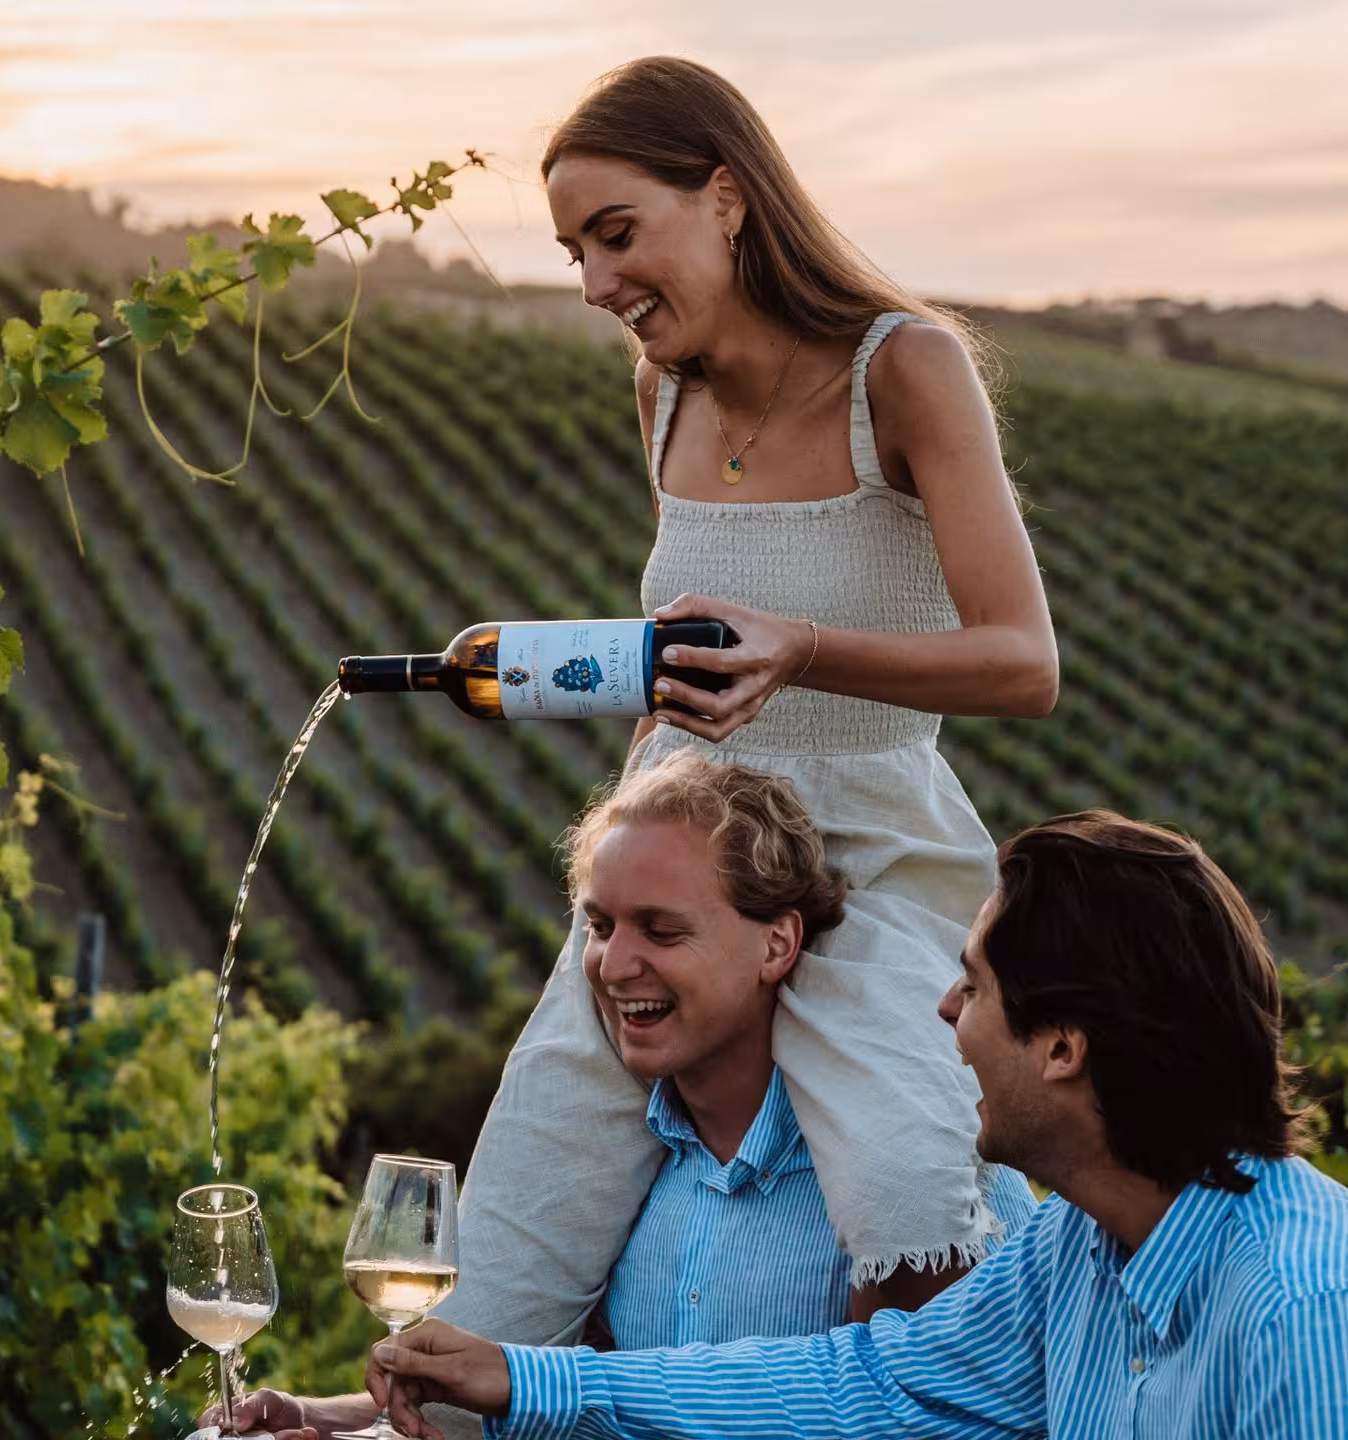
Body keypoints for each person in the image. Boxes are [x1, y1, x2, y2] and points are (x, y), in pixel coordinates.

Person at [442, 50, 1059, 1362]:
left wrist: (803, 651)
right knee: (516, 1208)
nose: (600, 283)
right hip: (683, 857)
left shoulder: (907, 369)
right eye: (576, 254)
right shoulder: (663, 390)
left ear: (724, 196)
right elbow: (690, 660)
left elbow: (1024, 662)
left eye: (618, 234)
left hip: (868, 853)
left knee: (902, 1168)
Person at [365, 811, 1348, 1439]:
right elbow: (863, 1383)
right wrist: (530, 1379)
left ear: (1064, 1048)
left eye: (974, 988)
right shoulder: (1084, 1255)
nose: (943, 1017)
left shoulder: (1310, 1307)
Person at [202, 754, 1035, 1438]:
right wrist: (327, 1417)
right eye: (600, 925)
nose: (614, 964)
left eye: (662, 931)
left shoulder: (914, 1190)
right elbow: (553, 1395)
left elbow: (931, 1408)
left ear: (777, 942)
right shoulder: (619, 1176)